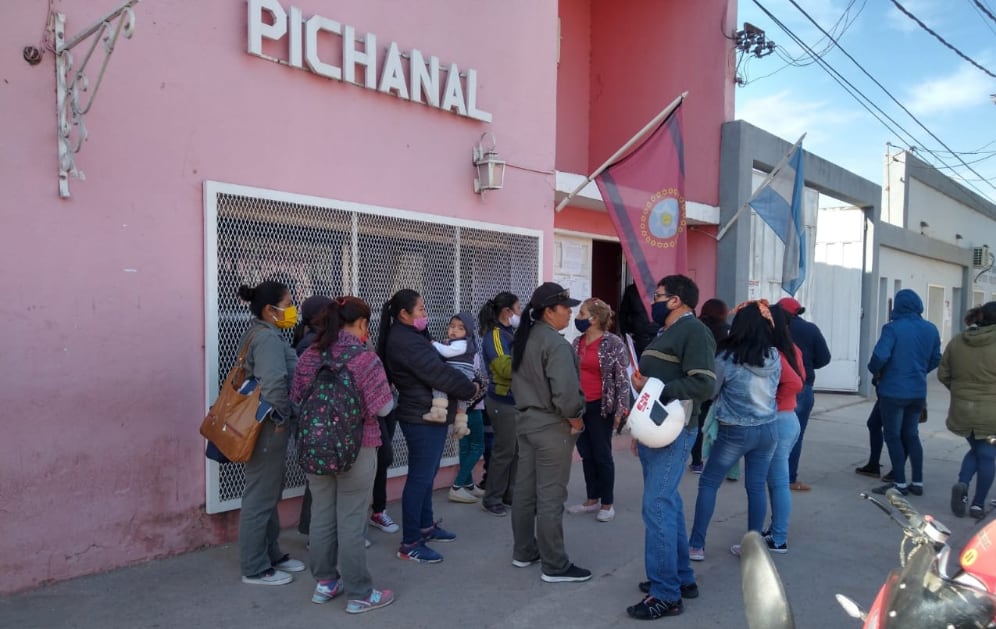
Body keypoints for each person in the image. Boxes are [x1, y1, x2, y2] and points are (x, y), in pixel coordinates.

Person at [290, 297, 395, 613]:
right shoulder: (365, 359)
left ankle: (325, 583)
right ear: (362, 324)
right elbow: (385, 407)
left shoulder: (309, 355)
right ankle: (360, 593)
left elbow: (296, 398)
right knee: (351, 519)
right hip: (358, 448)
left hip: (315, 446)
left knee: (322, 513)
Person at [629, 275, 717, 620]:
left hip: (673, 432)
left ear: (677, 300)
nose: (654, 300)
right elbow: (661, 379)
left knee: (658, 506)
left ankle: (665, 593)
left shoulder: (693, 331)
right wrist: (645, 388)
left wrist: (657, 389)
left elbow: (704, 383)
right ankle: (681, 579)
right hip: (655, 430)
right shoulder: (667, 332)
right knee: (669, 504)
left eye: (659, 295)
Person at [377, 289, 478, 563]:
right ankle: (410, 542)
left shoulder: (412, 336)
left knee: (427, 474)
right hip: (420, 417)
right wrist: (470, 388)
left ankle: (425, 526)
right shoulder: (405, 341)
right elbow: (437, 372)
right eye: (420, 309)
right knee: (420, 478)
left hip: (425, 413)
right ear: (403, 314)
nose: (425, 314)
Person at [688, 301, 780, 563]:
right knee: (756, 488)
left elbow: (711, 391)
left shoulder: (726, 358)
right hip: (767, 429)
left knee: (708, 483)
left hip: (734, 430)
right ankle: (754, 548)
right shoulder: (774, 356)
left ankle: (696, 545)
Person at [509, 282, 588, 583]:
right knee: (551, 497)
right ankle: (555, 565)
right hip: (551, 426)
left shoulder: (524, 338)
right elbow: (566, 395)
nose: (570, 313)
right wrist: (577, 420)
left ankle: (524, 551)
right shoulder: (555, 344)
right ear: (548, 311)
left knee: (525, 492)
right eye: (565, 308)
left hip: (527, 423)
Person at [234, 281, 306, 586]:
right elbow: (274, 383)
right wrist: (282, 417)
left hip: (269, 422)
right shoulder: (266, 340)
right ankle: (254, 567)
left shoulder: (266, 334)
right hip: (268, 424)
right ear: (269, 309)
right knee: (260, 496)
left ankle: (271, 553)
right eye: (288, 303)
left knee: (269, 492)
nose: (292, 310)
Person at [868, 289, 941, 496]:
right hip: (917, 391)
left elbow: (880, 357)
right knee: (912, 435)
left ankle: (899, 483)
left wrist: (875, 370)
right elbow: (936, 358)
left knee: (892, 436)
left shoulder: (892, 329)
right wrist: (919, 370)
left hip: (893, 390)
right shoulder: (931, 329)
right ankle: (917, 481)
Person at [566, 298, 630, 523]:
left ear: (593, 319)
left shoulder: (613, 343)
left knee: (602, 454)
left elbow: (622, 379)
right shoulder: (576, 342)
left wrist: (622, 410)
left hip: (601, 406)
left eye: (582, 314)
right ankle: (592, 499)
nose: (578, 318)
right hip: (578, 406)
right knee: (586, 453)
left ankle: (607, 503)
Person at [753, 304, 804, 555]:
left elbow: (796, 382)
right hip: (788, 419)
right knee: (776, 482)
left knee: (778, 483)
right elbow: (801, 378)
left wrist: (774, 402)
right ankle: (775, 531)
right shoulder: (791, 349)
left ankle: (779, 538)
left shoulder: (775, 353)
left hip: (780, 420)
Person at [942, 302, 996, 519]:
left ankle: (963, 483)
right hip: (992, 415)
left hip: (962, 409)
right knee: (987, 456)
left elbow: (943, 374)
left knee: (977, 450)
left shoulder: (957, 341)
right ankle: (977, 504)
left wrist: (960, 392)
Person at [777, 297, 830, 492]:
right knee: (795, 434)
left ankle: (767, 472)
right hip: (802, 385)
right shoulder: (811, 329)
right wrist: (806, 364)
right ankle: (789, 477)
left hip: (775, 386)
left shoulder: (773, 328)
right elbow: (825, 358)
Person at [478, 292, 522, 517]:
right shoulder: (495, 335)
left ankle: (509, 494)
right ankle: (492, 498)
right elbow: (505, 369)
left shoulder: (510, 332)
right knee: (504, 451)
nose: (520, 313)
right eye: (517, 308)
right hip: (502, 400)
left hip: (515, 400)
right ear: (507, 311)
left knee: (516, 451)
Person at [293, 294, 332, 538]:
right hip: (317, 420)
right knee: (319, 484)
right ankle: (313, 532)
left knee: (319, 482)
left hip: (316, 419)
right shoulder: (311, 344)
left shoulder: (312, 340)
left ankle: (313, 531)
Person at [688, 298, 730, 473]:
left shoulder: (695, 327)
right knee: (721, 422)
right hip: (722, 380)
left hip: (699, 379)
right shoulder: (727, 331)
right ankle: (722, 462)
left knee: (696, 420)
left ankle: (696, 461)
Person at [424, 313, 478, 440]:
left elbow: (446, 352)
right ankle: (461, 425)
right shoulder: (459, 342)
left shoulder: (463, 343)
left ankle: (439, 411)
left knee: (440, 384)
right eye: (452, 326)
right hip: (465, 374)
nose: (454, 330)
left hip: (459, 371)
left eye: (461, 328)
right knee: (461, 400)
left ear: (468, 332)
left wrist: (434, 344)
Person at [448, 349, 489, 503]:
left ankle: (468, 484)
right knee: (478, 446)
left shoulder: (449, 354)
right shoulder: (471, 353)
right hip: (472, 408)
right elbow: (482, 378)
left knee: (465, 448)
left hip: (457, 408)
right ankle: (457, 487)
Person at [618, 282, 661, 356]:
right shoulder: (631, 290)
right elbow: (623, 313)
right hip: (638, 337)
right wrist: (626, 334)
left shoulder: (660, 289)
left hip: (658, 336)